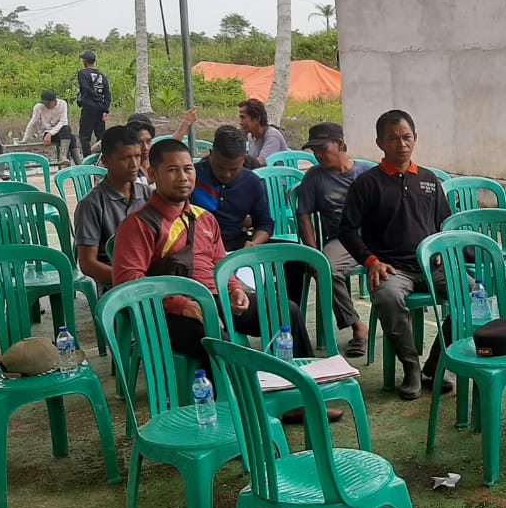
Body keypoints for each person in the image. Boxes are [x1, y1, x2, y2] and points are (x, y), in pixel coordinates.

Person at [112, 139, 315, 377]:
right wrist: (181, 304)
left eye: (188, 169)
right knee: (220, 341)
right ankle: (235, 407)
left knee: (286, 310)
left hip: (213, 297)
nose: (183, 177)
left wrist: (235, 289)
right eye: (172, 170)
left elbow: (220, 266)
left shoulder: (204, 219)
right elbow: (129, 283)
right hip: (167, 311)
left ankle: (300, 389)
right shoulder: (140, 224)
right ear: (153, 174)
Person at [338, 109, 455, 400]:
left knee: (471, 292)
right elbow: (347, 230)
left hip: (430, 267)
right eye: (393, 138)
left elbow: (446, 223)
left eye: (406, 137)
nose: (401, 144)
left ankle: (437, 361)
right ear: (380, 143)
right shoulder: (367, 184)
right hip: (391, 269)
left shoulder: (429, 180)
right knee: (389, 298)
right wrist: (371, 261)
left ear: (415, 139)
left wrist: (442, 248)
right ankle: (411, 366)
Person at [296, 122, 371, 357]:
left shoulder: (367, 172)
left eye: (322, 148)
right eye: (314, 151)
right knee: (324, 268)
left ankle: (402, 325)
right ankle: (358, 328)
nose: (318, 155)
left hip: (374, 237)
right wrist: (313, 252)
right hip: (343, 240)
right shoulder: (314, 177)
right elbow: (304, 216)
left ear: (340, 144)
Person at [73, 125, 152, 292]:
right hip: (116, 288)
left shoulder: (149, 196)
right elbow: (88, 264)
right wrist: (133, 282)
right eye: (125, 158)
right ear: (106, 161)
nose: (134, 164)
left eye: (138, 157)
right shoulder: (91, 205)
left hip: (151, 278)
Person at [189, 125, 274, 251]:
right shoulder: (191, 177)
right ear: (211, 154)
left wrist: (254, 244)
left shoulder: (252, 182)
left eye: (234, 169)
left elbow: (265, 223)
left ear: (244, 159)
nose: (226, 174)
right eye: (220, 167)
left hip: (236, 245)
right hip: (195, 245)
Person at [25, 90, 82, 166]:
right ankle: (79, 164)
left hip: (60, 132)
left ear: (54, 101)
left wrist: (50, 133)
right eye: (45, 103)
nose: (46, 105)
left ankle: (64, 157)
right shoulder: (38, 107)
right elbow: (33, 123)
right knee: (71, 138)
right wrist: (25, 139)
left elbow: (63, 121)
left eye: (48, 103)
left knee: (67, 129)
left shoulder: (62, 104)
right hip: (46, 133)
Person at [76, 51, 112, 155]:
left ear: (85, 61)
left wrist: (94, 97)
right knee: (101, 135)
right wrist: (106, 109)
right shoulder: (102, 75)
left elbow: (85, 88)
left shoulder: (82, 73)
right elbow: (108, 94)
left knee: (84, 136)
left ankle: (87, 160)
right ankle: (100, 157)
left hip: (88, 107)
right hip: (101, 107)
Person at [239, 98, 289, 166]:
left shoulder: (272, 135)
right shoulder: (251, 136)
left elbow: (261, 162)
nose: (240, 122)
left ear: (257, 119)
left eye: (243, 117)